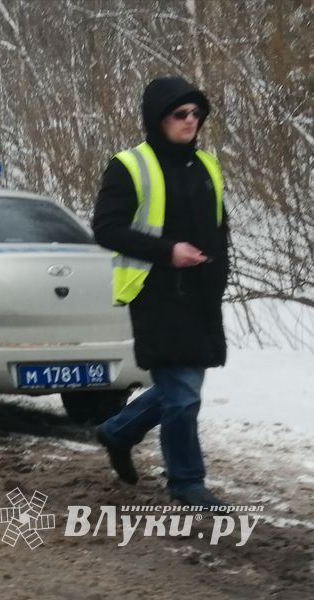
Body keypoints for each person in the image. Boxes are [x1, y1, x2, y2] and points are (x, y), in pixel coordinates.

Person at [91, 76, 230, 508]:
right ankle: (187, 483)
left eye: (196, 114)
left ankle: (118, 431)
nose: (191, 121)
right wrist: (169, 251)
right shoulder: (129, 166)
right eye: (180, 114)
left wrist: (219, 274)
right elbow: (106, 228)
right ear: (158, 119)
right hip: (155, 294)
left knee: (179, 389)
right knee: (184, 393)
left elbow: (220, 226)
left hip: (200, 294)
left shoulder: (206, 164)